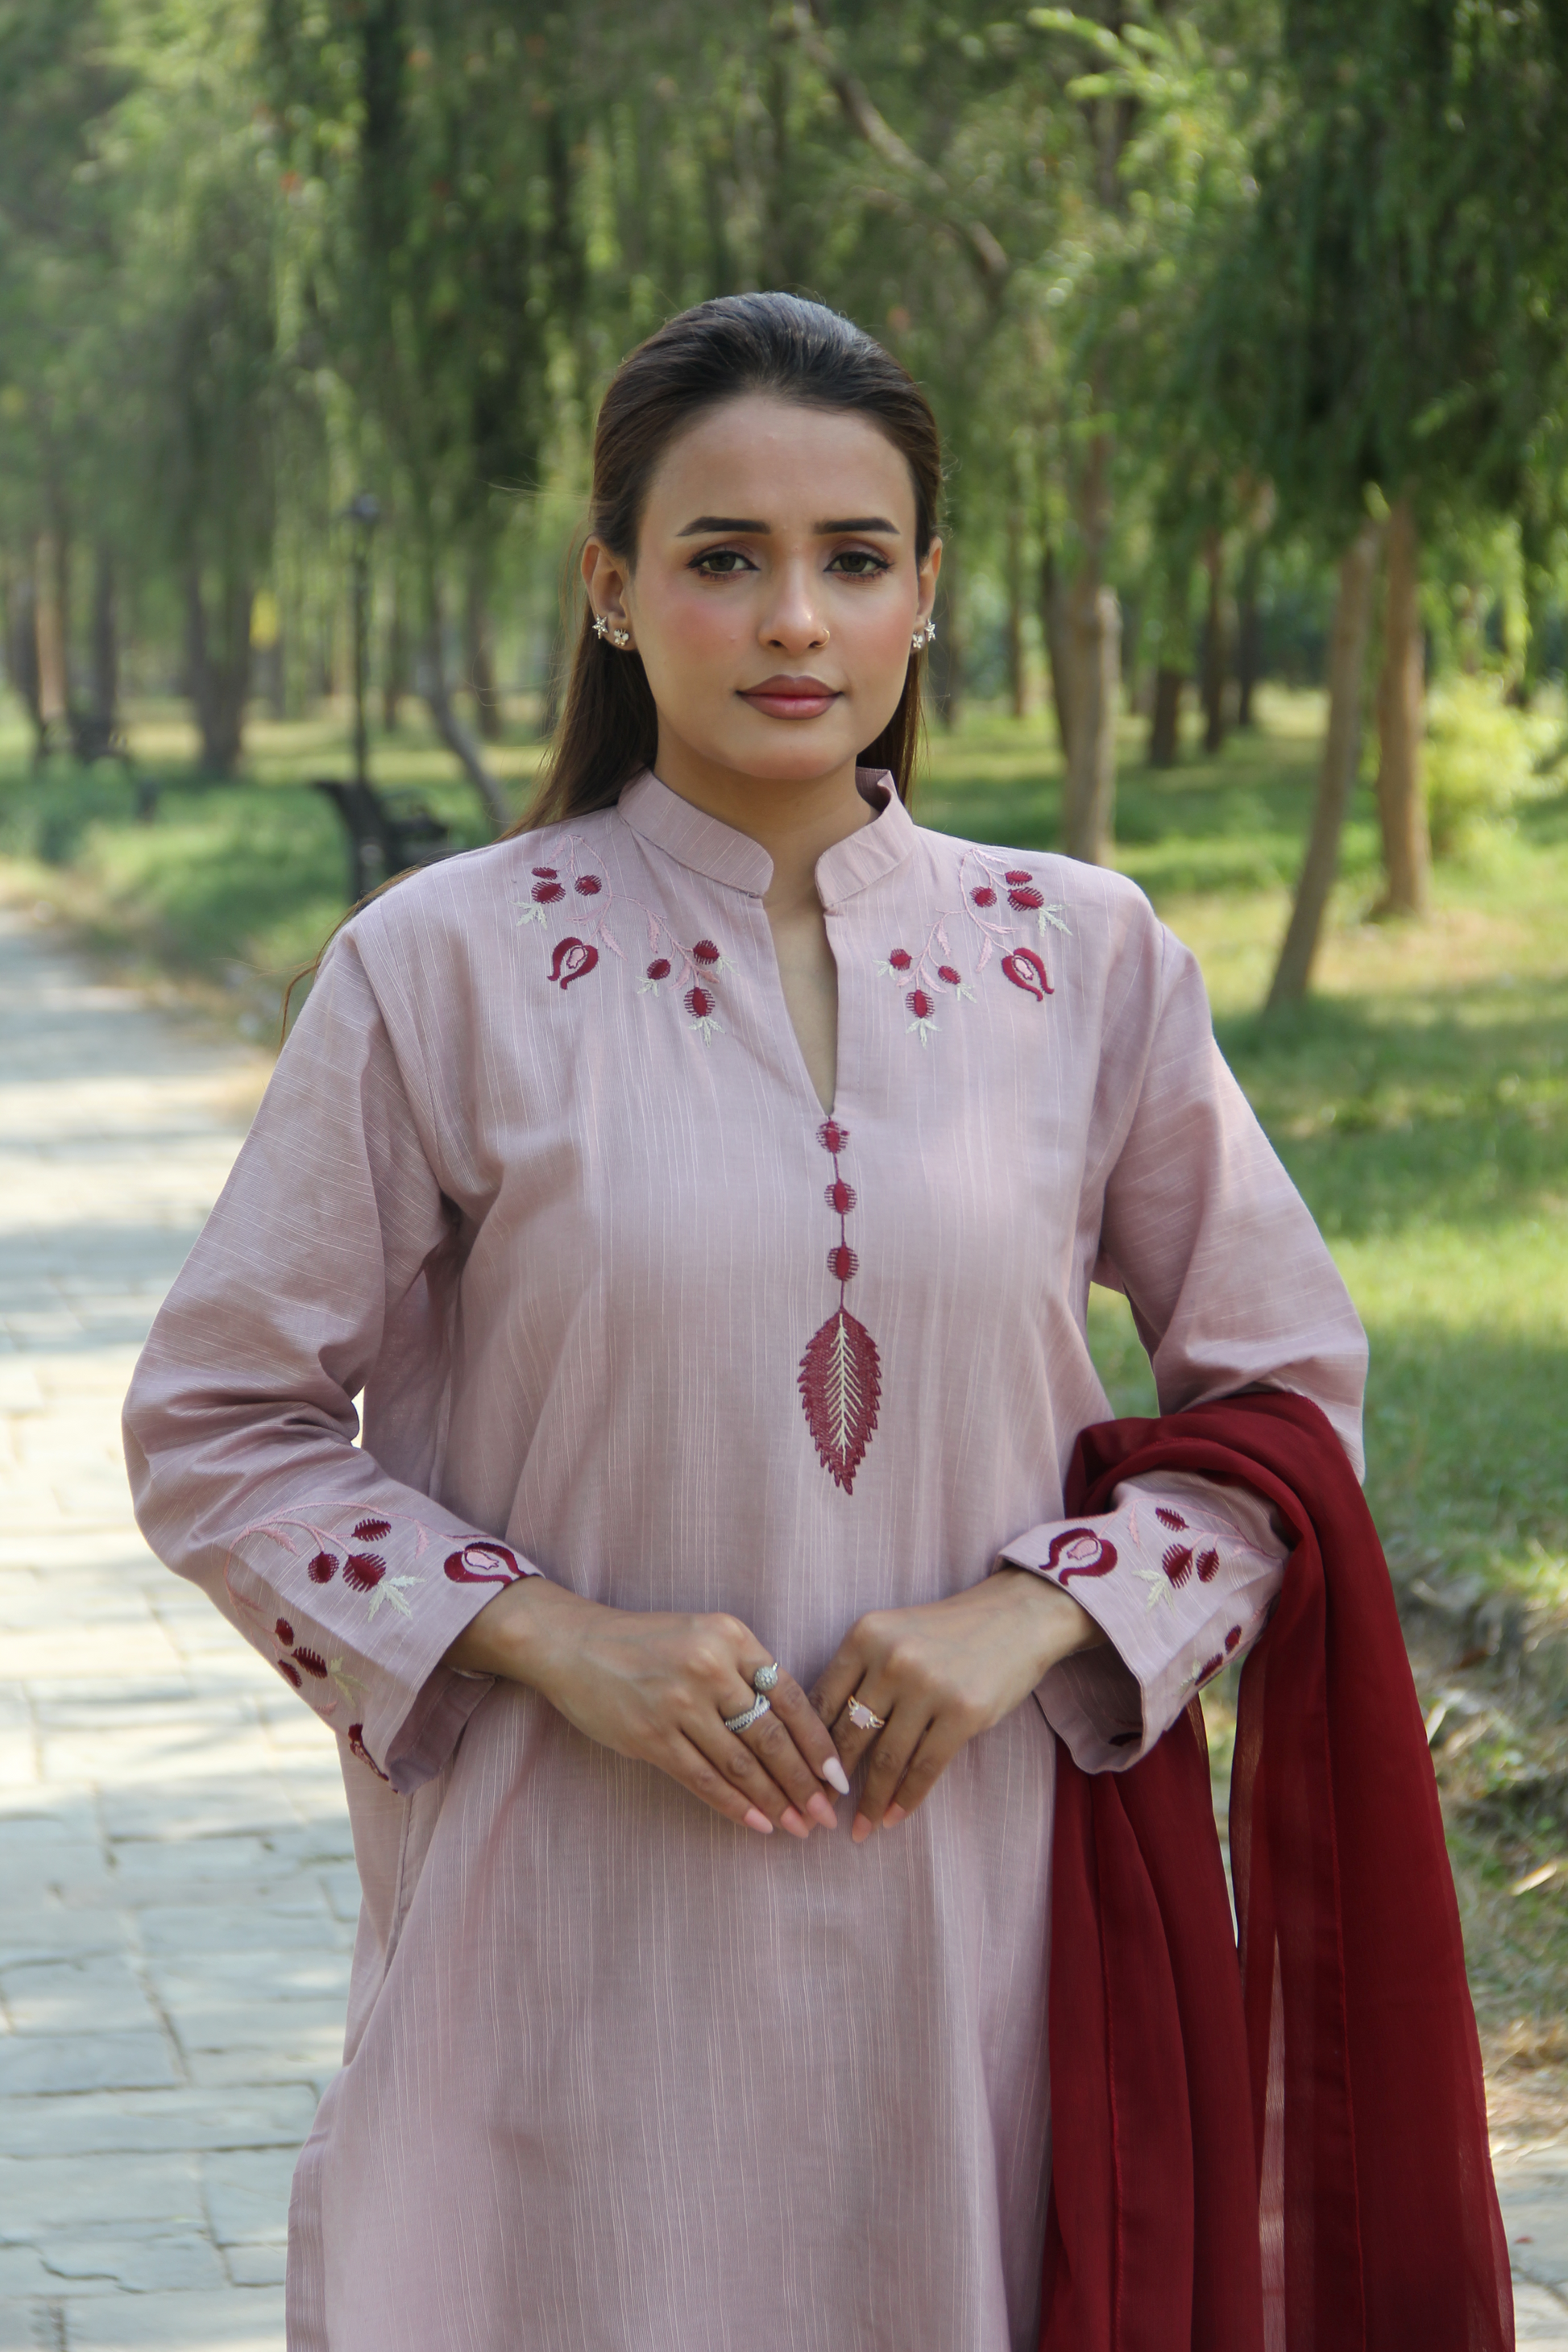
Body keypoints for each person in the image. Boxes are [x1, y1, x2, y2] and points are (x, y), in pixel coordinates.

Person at [124, 294, 1508, 2352]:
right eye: (721, 558)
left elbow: (1285, 1395)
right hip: (564, 1919)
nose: (794, 620)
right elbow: (217, 1423)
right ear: (610, 591)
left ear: (926, 596)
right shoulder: (442, 969)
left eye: (853, 559)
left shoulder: (1085, 962)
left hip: (992, 1935)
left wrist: (1037, 1610)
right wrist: (548, 1631)